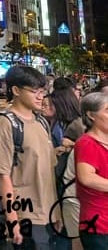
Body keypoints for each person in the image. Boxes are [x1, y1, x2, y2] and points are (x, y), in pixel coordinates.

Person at [0, 65, 57, 249]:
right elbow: (2, 174)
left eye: (42, 91)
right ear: (16, 90)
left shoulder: (41, 120)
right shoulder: (5, 122)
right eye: (34, 91)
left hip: (47, 212)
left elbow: (49, 169)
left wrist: (56, 211)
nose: (40, 96)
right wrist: (12, 221)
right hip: (25, 215)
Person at [74, 90, 108, 249]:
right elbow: (86, 177)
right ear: (91, 115)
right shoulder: (87, 143)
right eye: (107, 110)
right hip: (98, 224)